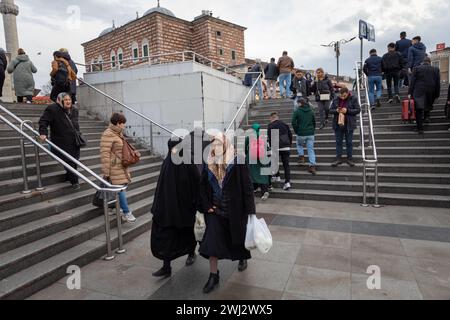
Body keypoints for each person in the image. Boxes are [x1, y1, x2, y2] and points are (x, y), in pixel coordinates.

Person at [198, 133, 255, 294]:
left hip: (235, 210)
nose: (215, 148)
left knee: (238, 238)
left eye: (218, 144)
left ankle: (242, 257)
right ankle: (213, 275)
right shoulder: (209, 162)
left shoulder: (238, 161)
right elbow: (202, 187)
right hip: (215, 211)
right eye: (213, 145)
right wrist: (207, 205)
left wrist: (251, 212)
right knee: (211, 243)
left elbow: (247, 188)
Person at [150, 136, 202, 278]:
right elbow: (161, 186)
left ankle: (191, 253)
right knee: (167, 237)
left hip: (185, 209)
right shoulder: (167, 162)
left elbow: (197, 184)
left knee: (187, 233)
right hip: (168, 209)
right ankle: (166, 267)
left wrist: (196, 204)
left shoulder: (188, 162)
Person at [39, 93, 81, 189]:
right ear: (59, 100)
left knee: (74, 161)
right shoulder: (52, 109)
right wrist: (43, 132)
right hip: (60, 142)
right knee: (69, 160)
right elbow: (43, 121)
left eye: (69, 99)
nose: (68, 101)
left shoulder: (74, 110)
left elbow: (75, 123)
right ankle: (75, 181)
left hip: (74, 141)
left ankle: (68, 176)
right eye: (65, 100)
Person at [100, 113, 137, 222]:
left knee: (120, 188)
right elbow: (105, 154)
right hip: (114, 167)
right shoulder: (108, 134)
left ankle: (114, 208)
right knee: (120, 189)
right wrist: (106, 171)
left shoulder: (117, 133)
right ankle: (126, 212)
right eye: (123, 123)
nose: (124, 125)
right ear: (117, 123)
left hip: (121, 166)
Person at [330, 87, 361, 167]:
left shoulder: (353, 98)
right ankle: (338, 159)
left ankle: (350, 159)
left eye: (344, 96)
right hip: (338, 124)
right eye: (341, 96)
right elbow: (330, 110)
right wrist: (336, 110)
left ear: (348, 93)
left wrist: (347, 110)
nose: (342, 97)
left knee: (349, 142)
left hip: (349, 124)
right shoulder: (336, 99)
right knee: (338, 142)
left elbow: (358, 110)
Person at [409, 57, 440, 135]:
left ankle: (420, 129)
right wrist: (437, 93)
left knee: (418, 110)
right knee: (428, 105)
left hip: (418, 91)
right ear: (429, 62)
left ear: (422, 62)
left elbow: (412, 82)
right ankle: (426, 117)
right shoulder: (436, 69)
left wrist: (410, 92)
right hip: (431, 90)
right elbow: (438, 83)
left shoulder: (416, 68)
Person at [268, 112, 292, 191]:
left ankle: (277, 177)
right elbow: (290, 135)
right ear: (277, 117)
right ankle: (287, 182)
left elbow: (270, 138)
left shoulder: (270, 126)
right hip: (286, 146)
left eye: (270, 119)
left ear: (272, 118)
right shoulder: (285, 125)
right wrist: (289, 145)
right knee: (286, 166)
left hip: (276, 147)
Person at [292, 98, 317, 174]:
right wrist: (312, 130)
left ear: (300, 103)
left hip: (301, 133)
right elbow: (314, 122)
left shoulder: (297, 111)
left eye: (298, 103)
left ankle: (301, 157)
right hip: (310, 133)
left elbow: (293, 122)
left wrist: (297, 130)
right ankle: (312, 166)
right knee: (310, 149)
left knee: (299, 145)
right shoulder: (311, 111)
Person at [246, 123, 270, 201]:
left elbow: (245, 148)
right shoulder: (263, 136)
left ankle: (254, 188)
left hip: (252, 157)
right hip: (262, 157)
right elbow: (267, 147)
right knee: (263, 174)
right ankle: (265, 191)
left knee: (252, 174)